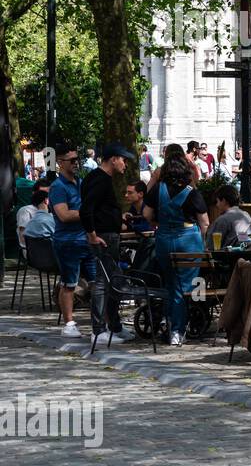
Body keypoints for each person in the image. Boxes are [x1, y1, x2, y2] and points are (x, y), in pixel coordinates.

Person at [144, 153, 210, 345]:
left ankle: (169, 321)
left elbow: (147, 214)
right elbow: (205, 222)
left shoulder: (158, 189)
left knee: (171, 283)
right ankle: (178, 330)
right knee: (185, 287)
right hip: (188, 240)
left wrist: (160, 223)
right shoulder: (192, 192)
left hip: (164, 239)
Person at [80, 143, 135, 344]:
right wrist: (92, 234)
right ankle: (99, 330)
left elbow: (97, 208)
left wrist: (117, 215)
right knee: (103, 283)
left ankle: (114, 326)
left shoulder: (99, 179)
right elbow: (86, 209)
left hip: (108, 234)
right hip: (104, 237)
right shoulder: (100, 180)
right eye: (123, 160)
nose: (125, 165)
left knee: (113, 282)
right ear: (113, 159)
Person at [48, 143, 97, 338]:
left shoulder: (80, 182)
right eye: (72, 160)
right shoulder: (58, 187)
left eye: (78, 159)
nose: (76, 163)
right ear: (60, 162)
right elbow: (64, 215)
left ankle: (103, 324)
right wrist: (87, 213)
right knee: (69, 284)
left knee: (97, 282)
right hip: (68, 241)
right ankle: (69, 323)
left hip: (86, 239)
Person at [206, 184, 251, 249]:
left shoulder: (222, 220)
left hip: (227, 257)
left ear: (224, 201)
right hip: (246, 254)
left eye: (217, 201)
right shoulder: (246, 215)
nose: (217, 205)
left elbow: (211, 246)